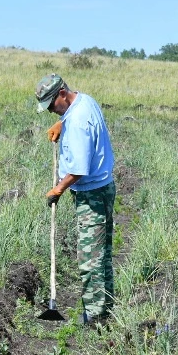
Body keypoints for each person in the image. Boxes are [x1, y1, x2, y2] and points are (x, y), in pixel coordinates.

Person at [35, 73, 115, 326]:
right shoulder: (84, 101)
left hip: (92, 194)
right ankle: (104, 307)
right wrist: (63, 123)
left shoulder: (78, 120)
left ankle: (95, 317)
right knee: (101, 254)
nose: (50, 111)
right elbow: (74, 118)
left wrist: (57, 189)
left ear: (61, 94)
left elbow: (78, 170)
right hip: (101, 188)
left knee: (90, 257)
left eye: (51, 106)